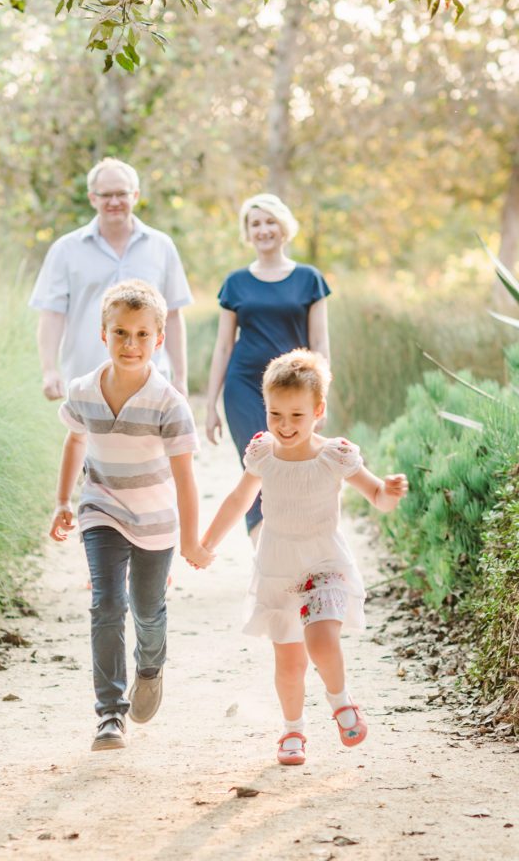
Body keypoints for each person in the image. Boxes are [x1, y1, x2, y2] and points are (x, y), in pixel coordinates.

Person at [200, 349, 408, 766]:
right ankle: (293, 730)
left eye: (297, 416)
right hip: (278, 567)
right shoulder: (262, 454)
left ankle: (341, 702)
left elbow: (376, 497)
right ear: (266, 409)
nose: (285, 425)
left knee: (320, 638)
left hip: (324, 563)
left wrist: (390, 492)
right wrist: (207, 544)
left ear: (318, 411)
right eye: (276, 414)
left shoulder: (335, 455)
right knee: (289, 661)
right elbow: (239, 500)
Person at [49, 280, 213, 752]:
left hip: (155, 520)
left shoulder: (168, 404)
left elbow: (185, 478)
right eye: (120, 333)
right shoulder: (83, 390)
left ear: (159, 340)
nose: (131, 344)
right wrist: (63, 501)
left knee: (146, 609)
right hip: (101, 508)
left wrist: (191, 539)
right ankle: (109, 714)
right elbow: (75, 440)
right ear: (103, 334)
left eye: (142, 335)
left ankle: (150, 666)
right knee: (107, 604)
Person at [205, 194, 331, 542]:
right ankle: (263, 552)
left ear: (284, 226)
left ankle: (296, 546)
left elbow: (319, 344)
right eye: (255, 223)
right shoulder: (235, 283)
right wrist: (210, 404)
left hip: (297, 390)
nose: (263, 229)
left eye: (270, 221)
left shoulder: (309, 279)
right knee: (259, 464)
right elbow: (223, 346)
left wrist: (323, 396)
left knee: (296, 464)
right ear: (248, 232)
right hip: (244, 386)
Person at [30, 157, 192, 400]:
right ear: (92, 198)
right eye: (106, 195)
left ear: (135, 195)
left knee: (148, 440)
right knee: (84, 440)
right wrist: (49, 370)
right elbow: (52, 315)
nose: (114, 202)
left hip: (151, 379)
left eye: (121, 194)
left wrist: (180, 377)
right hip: (86, 378)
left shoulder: (161, 246)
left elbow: (173, 315)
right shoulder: (66, 249)